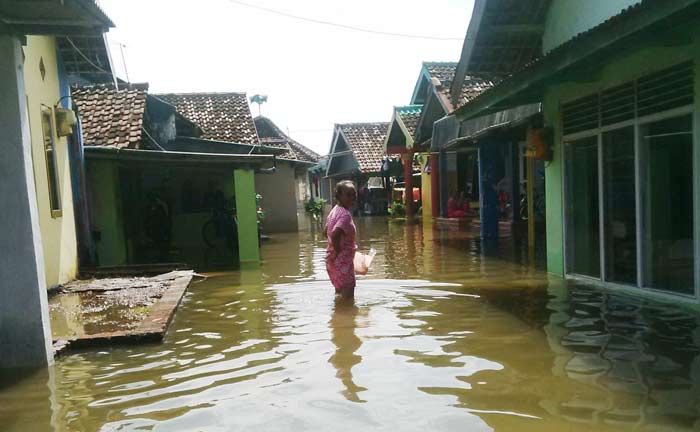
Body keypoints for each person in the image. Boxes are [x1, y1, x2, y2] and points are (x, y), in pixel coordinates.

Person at [325, 180, 358, 298]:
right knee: (348, 299)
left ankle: (338, 316)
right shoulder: (345, 215)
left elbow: (325, 231)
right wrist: (338, 251)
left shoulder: (334, 211)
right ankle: (347, 315)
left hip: (333, 262)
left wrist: (335, 251)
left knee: (339, 296)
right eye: (348, 195)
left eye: (354, 194)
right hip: (342, 261)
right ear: (339, 196)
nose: (352, 197)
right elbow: (334, 234)